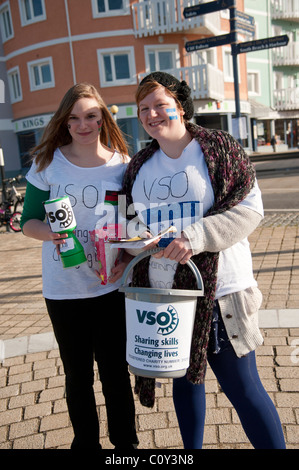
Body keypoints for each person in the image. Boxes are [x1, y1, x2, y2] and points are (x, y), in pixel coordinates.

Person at [122, 72, 286, 449]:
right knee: (185, 382)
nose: (152, 114)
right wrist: (137, 243)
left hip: (222, 291)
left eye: (161, 105)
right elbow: (129, 224)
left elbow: (250, 210)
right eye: (144, 108)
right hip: (167, 294)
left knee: (244, 388)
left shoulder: (218, 148)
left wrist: (193, 239)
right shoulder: (139, 166)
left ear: (180, 106)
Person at [20, 83, 138, 450]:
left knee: (116, 372)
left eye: (90, 116)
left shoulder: (122, 164)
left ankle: (125, 445)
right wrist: (53, 235)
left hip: (109, 285)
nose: (83, 125)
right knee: (77, 376)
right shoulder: (48, 163)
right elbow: (28, 222)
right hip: (63, 289)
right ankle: (86, 443)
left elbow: (130, 223)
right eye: (73, 119)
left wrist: (126, 257)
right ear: (64, 122)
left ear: (103, 117)